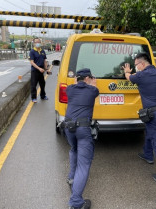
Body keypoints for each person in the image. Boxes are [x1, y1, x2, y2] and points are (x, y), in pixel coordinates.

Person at [122, 53, 156, 188]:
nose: (136, 68)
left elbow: (129, 77)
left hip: (154, 114)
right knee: (150, 131)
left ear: (142, 64)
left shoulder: (141, 75)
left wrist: (127, 71)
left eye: (136, 65)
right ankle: (147, 154)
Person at [64, 68, 99, 209]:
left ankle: (72, 178)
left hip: (68, 127)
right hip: (83, 129)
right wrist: (93, 83)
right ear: (87, 79)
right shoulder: (93, 91)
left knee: (74, 149)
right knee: (83, 164)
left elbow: (74, 85)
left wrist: (80, 80)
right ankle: (76, 202)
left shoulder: (70, 89)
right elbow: (94, 89)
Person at [29, 38, 49, 103]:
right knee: (33, 85)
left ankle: (43, 96)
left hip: (42, 70)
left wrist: (46, 69)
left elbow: (44, 61)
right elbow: (32, 62)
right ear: (34, 43)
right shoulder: (32, 51)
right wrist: (39, 68)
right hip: (35, 70)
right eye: (36, 42)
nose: (38, 43)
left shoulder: (42, 51)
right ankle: (34, 98)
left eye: (39, 42)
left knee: (42, 84)